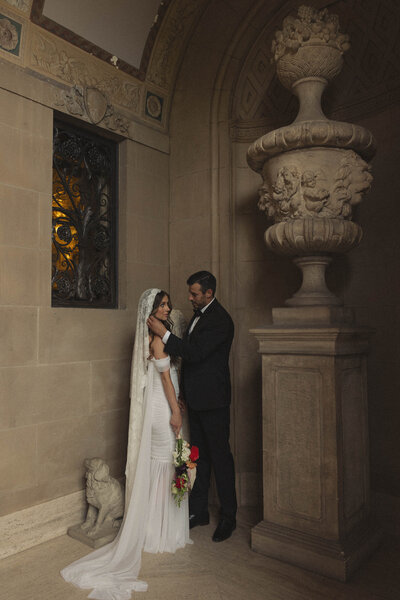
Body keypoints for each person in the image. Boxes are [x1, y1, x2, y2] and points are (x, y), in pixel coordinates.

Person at [61, 288, 191, 600]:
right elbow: (164, 380)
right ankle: (159, 532)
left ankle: (159, 528)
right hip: (162, 410)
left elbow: (169, 376)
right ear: (149, 310)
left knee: (169, 465)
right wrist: (175, 411)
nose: (167, 308)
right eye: (161, 305)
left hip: (165, 404)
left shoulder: (156, 337)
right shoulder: (156, 340)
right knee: (166, 465)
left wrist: (178, 402)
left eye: (167, 304)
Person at [147, 271, 237, 543]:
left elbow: (195, 353)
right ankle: (199, 512)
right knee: (198, 456)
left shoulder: (221, 321)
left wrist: (163, 334)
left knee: (221, 458)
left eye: (195, 293)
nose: (190, 298)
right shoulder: (198, 316)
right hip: (196, 399)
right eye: (190, 292)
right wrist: (184, 393)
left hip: (214, 402)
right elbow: (191, 361)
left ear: (209, 293)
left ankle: (229, 517)